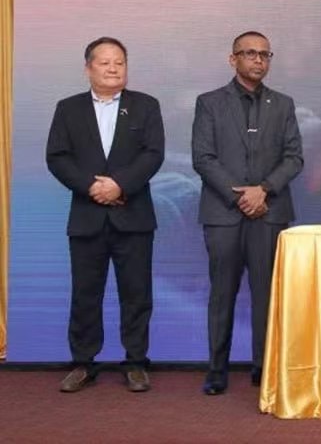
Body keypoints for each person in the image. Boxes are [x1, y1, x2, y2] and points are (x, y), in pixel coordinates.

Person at [46, 37, 165, 393]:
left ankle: (136, 362)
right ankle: (83, 363)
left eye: (120, 62)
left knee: (137, 294)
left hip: (134, 216)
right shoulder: (68, 108)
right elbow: (57, 157)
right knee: (85, 294)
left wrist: (119, 185)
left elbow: (153, 153)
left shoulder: (146, 106)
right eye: (105, 62)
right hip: (87, 216)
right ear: (88, 68)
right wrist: (92, 187)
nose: (113, 68)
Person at [192, 31, 304, 395]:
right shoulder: (209, 103)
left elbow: (294, 158)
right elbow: (203, 158)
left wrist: (264, 190)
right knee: (222, 294)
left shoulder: (283, 104)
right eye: (250, 53)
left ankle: (264, 367)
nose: (258, 60)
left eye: (265, 54)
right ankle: (216, 370)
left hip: (269, 211)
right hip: (223, 213)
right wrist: (239, 195)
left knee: (267, 295)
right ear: (233, 59)